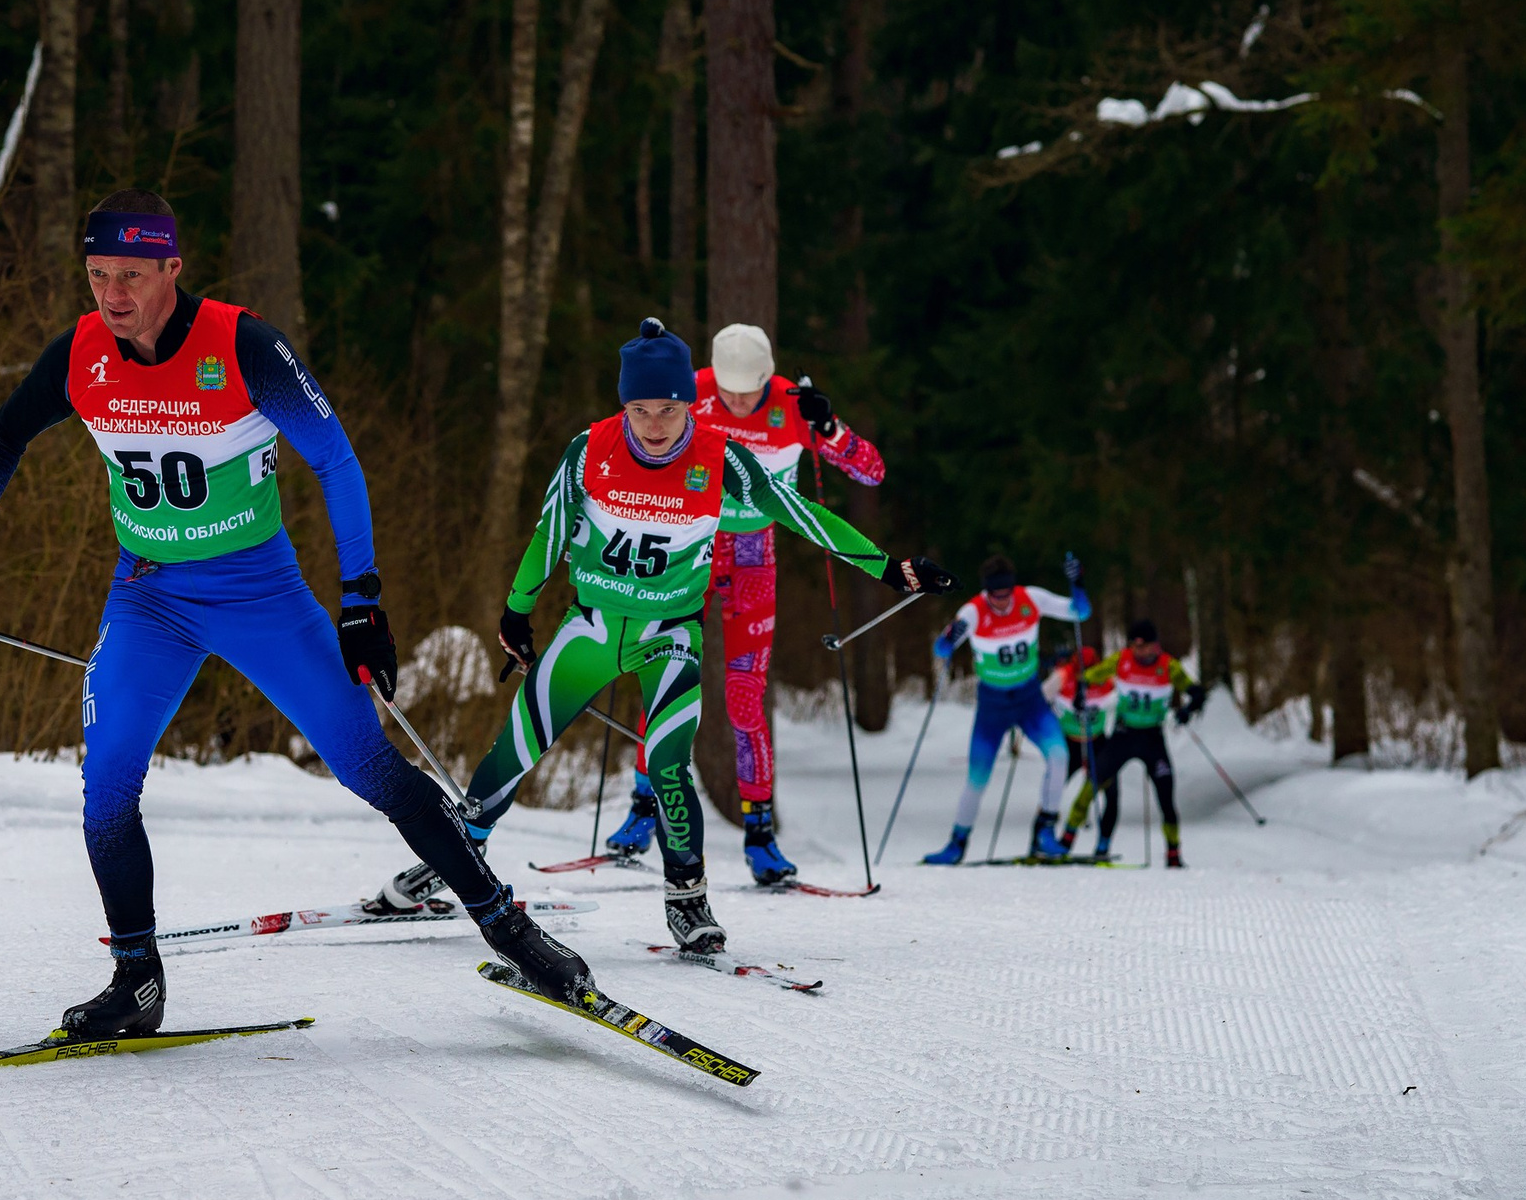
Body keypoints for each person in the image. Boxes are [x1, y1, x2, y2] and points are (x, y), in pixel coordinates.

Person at [0, 190, 593, 1033]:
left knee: (370, 768)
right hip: (147, 595)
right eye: (96, 275)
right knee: (106, 787)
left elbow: (336, 461)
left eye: (129, 274)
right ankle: (136, 981)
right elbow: (2, 437)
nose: (112, 294)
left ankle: (511, 928)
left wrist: (362, 601)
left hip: (258, 592)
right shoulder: (81, 354)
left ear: (171, 269)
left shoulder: (243, 345)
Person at [377, 319, 950, 952]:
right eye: (640, 409)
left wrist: (886, 566)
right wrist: (516, 613)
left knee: (671, 765)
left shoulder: (721, 456)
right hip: (590, 629)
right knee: (515, 746)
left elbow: (798, 511)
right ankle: (455, 859)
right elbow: (550, 535)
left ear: (688, 404)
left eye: (669, 409)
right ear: (624, 404)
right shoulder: (588, 450)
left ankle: (688, 901)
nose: (654, 424)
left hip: (670, 635)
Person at [601, 323, 887, 885]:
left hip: (755, 552)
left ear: (768, 377)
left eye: (747, 393)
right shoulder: (690, 388)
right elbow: (631, 437)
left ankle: (760, 836)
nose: (735, 402)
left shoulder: (792, 405)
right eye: (726, 393)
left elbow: (870, 471)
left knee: (745, 695)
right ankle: (642, 808)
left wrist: (828, 428)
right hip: (693, 541)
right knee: (665, 667)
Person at [920, 553, 1093, 864]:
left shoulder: (1032, 599)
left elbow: (1080, 612)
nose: (1000, 602)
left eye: (1005, 595)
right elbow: (941, 648)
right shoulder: (974, 611)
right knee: (977, 777)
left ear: (1012, 588)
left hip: (1029, 699)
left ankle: (1045, 832)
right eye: (994, 596)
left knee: (1059, 756)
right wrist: (951, 637)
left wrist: (1077, 582)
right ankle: (957, 843)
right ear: (987, 592)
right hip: (993, 705)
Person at [1078, 619, 1203, 867]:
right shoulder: (1121, 659)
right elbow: (1091, 676)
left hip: (1153, 738)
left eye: (1143, 647)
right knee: (1096, 783)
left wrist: (1187, 710)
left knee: (1166, 795)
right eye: (1135, 646)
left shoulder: (1169, 665)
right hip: (1124, 735)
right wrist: (1081, 688)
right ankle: (1077, 843)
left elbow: (1196, 692)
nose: (1139, 651)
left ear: (1154, 646)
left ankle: (1174, 853)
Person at [1046, 642, 1116, 849]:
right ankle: (1042, 840)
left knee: (1112, 792)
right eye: (1079, 669)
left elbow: (1123, 694)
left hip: (1097, 741)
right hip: (1069, 743)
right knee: (1052, 789)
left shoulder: (1105, 678)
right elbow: (1041, 697)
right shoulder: (1063, 675)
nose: (1083, 674)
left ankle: (1103, 845)